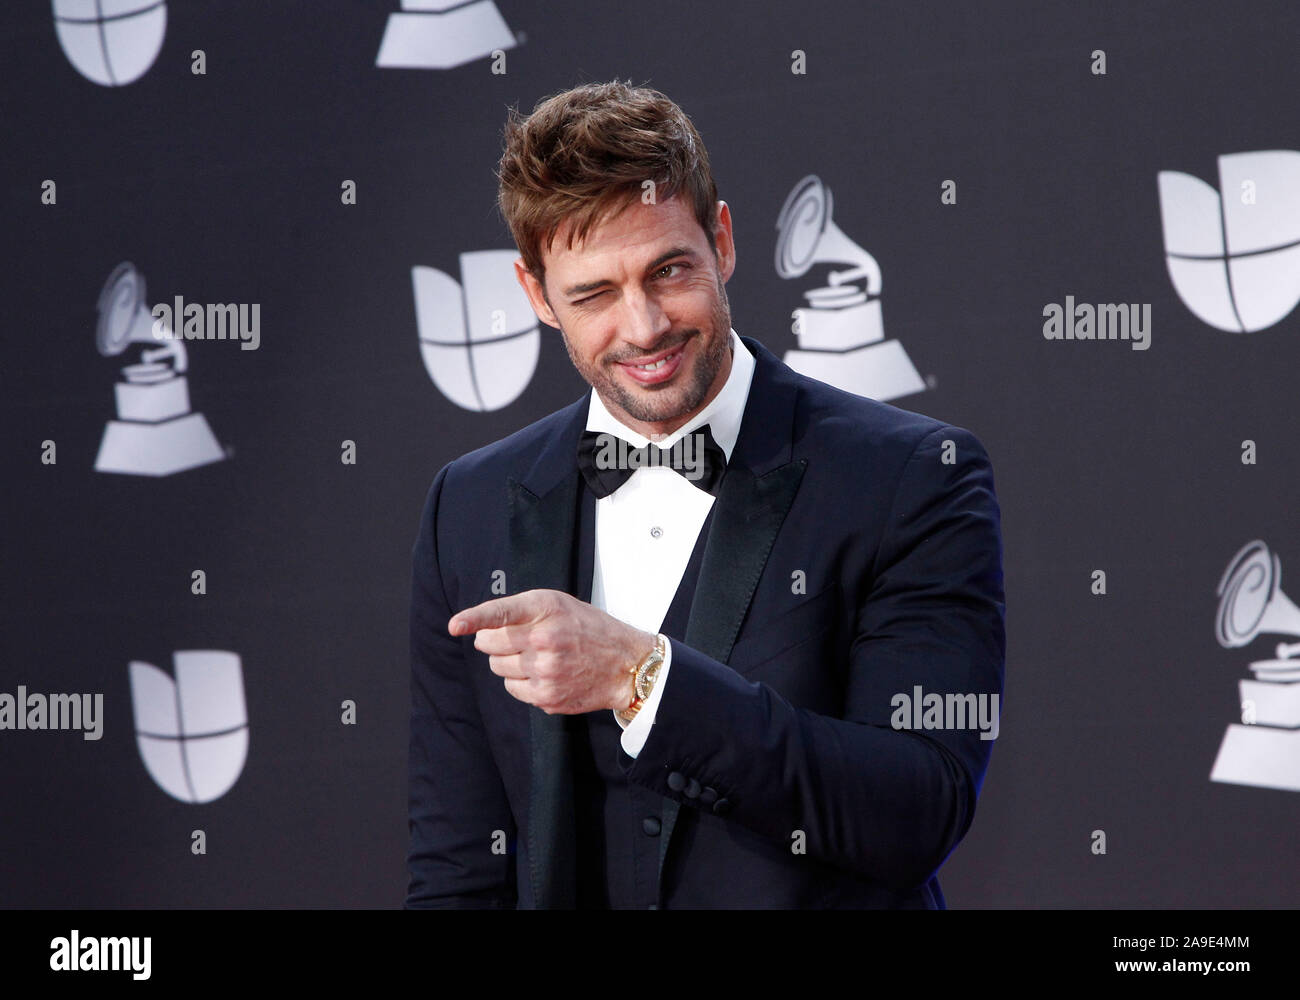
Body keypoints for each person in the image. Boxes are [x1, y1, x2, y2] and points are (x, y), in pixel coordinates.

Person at [406, 80, 1005, 909]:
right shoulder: (468, 507)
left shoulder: (911, 477)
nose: (645, 325)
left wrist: (642, 675)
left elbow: (916, 809)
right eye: (594, 295)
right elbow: (457, 867)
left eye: (669, 270)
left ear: (721, 241)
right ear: (537, 296)